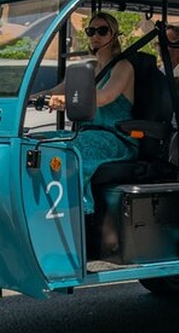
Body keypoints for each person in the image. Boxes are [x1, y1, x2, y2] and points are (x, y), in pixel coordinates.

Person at [47, 12, 138, 214]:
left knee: (72, 148)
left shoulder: (123, 67)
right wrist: (28, 97)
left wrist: (68, 101)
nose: (95, 35)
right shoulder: (88, 68)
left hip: (115, 137)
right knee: (42, 141)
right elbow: (56, 90)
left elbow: (105, 97)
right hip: (87, 133)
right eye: (91, 31)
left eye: (102, 31)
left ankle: (80, 212)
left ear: (114, 35)